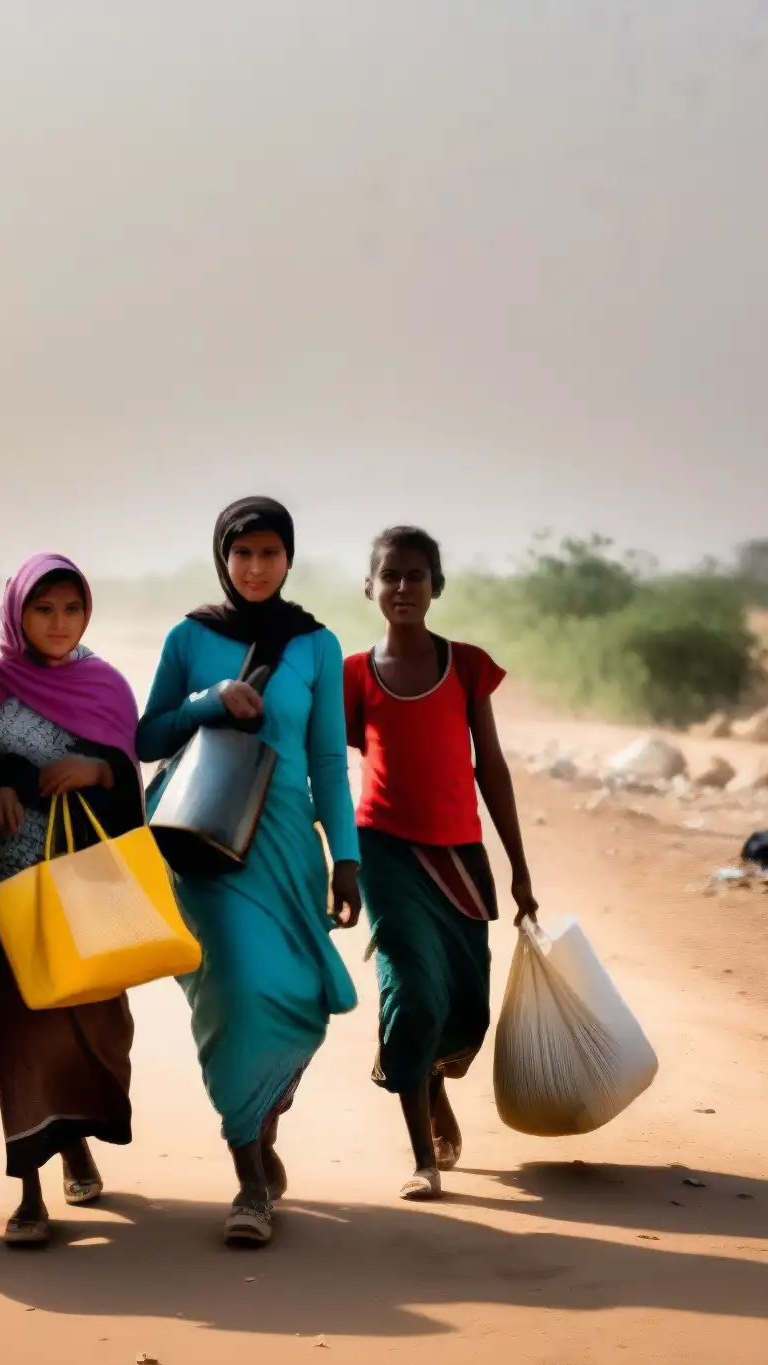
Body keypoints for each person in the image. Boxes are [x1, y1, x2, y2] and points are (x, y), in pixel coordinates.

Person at [136, 496, 361, 1247]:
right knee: (234, 992)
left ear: (289, 559)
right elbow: (146, 735)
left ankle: (259, 1128)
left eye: (269, 554)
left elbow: (328, 761)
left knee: (294, 993)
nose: (255, 568)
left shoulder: (316, 646)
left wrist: (347, 859)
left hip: (289, 843)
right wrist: (206, 702)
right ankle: (249, 1180)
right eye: (242, 554)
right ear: (222, 559)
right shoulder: (189, 636)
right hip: (204, 842)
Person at [345, 526, 538, 1199]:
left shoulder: (466, 667)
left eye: (416, 576)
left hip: (461, 857)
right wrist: (338, 862)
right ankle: (421, 1158)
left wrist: (519, 866)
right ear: (368, 586)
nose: (403, 588)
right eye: (390, 576)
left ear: (436, 586)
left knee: (463, 1005)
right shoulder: (353, 675)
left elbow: (492, 769)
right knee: (413, 993)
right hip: (386, 854)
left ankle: (429, 1081)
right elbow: (328, 760)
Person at [0, 553, 143, 1247]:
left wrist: (98, 768)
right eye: (43, 609)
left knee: (97, 1023)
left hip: (88, 882)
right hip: (9, 886)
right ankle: (29, 1190)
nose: (57, 623)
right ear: (18, 613)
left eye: (71, 609)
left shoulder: (106, 684)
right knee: (22, 1027)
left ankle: (75, 1142)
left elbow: (131, 781)